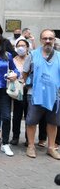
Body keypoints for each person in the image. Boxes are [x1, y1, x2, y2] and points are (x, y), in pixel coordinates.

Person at [23, 29, 60, 159]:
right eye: (45, 38)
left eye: (51, 38)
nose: (48, 41)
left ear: (54, 40)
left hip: (54, 96)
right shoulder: (32, 55)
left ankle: (51, 148)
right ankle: (31, 146)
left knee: (53, 122)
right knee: (32, 121)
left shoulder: (59, 56)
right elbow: (25, 72)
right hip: (34, 94)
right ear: (41, 40)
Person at [10, 37, 29, 146]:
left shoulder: (31, 58)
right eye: (18, 46)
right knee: (17, 114)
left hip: (29, 89)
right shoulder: (13, 60)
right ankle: (15, 136)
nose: (21, 48)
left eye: (23, 46)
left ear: (27, 47)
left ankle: (28, 138)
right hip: (17, 89)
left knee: (28, 114)